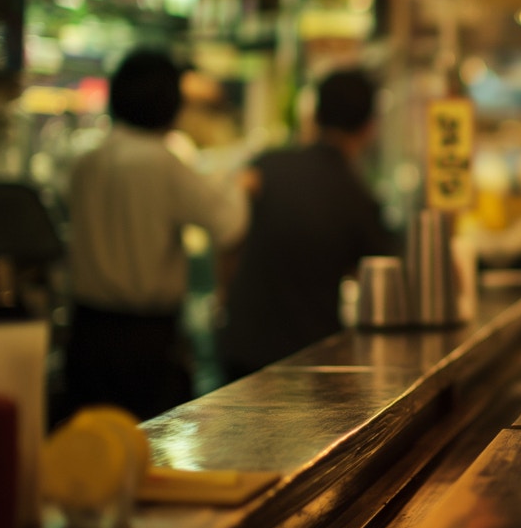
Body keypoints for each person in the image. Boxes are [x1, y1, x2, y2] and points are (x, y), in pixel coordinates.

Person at [64, 48, 249, 422]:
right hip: (146, 340)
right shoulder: (164, 163)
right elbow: (230, 222)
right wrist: (240, 183)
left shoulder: (85, 160)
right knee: (146, 451)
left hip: (86, 331)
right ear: (170, 103)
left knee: (88, 449)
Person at [217, 69, 398, 382]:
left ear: (314, 115)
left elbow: (228, 238)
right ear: (370, 127)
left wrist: (226, 301)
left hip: (242, 350)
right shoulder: (357, 196)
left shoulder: (266, 166)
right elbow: (380, 279)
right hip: (309, 362)